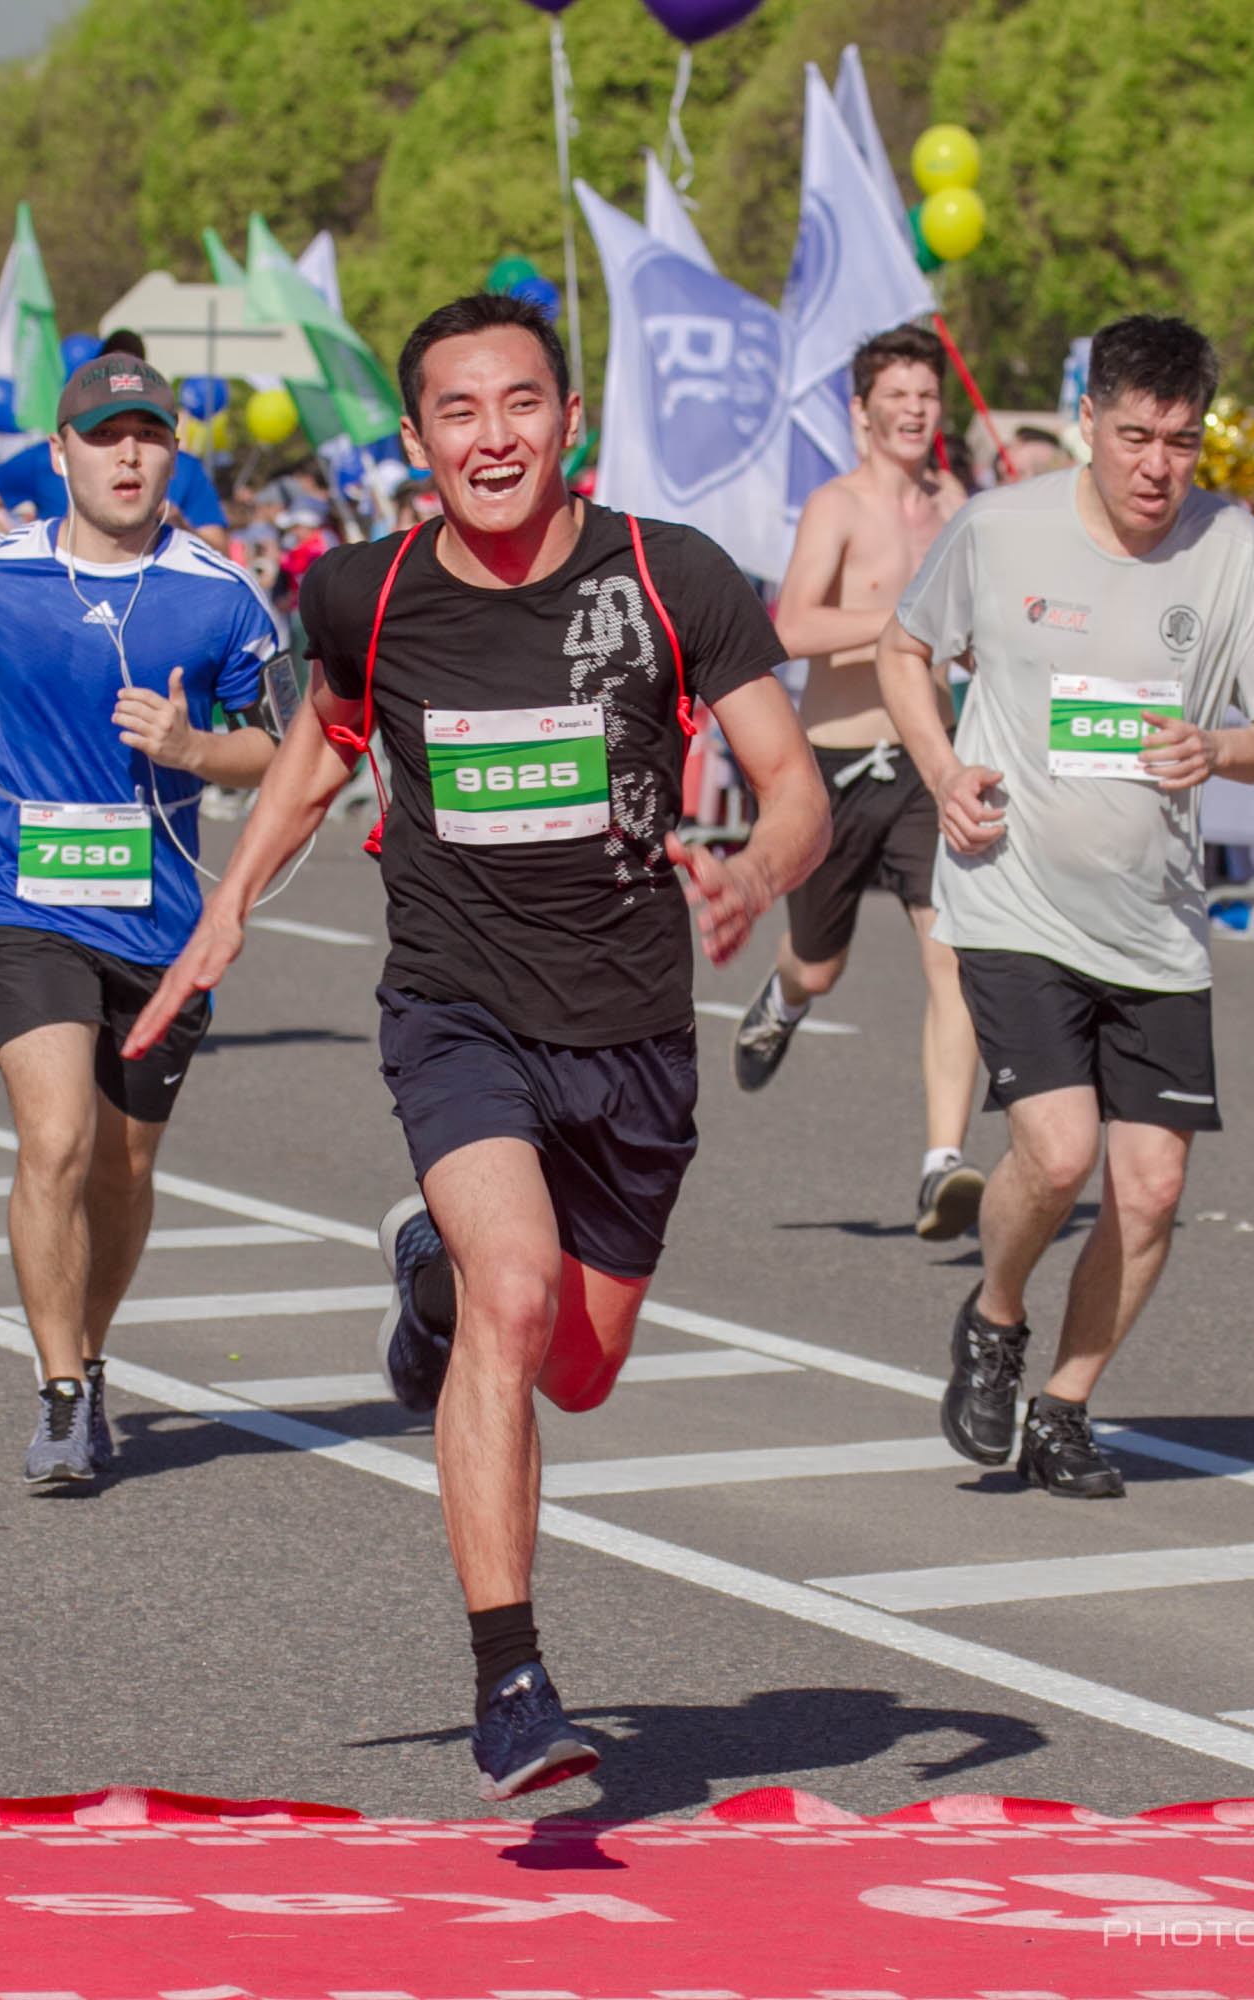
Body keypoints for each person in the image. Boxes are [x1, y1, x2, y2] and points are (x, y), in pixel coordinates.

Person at [122, 295, 824, 1801]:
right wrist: (230, 901)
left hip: (633, 1031)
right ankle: (512, 1676)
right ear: (417, 436)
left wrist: (755, 874)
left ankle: (429, 1281)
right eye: (459, 410)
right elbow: (325, 737)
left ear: (569, 421)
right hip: (459, 1010)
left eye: (521, 406)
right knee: (517, 1297)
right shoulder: (362, 592)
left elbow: (795, 784)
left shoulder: (669, 576)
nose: (492, 437)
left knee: (578, 1367)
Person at [873, 313, 1254, 1504]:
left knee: (1155, 1186)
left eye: (1182, 439)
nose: (1158, 466)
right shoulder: (1002, 526)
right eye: (1135, 436)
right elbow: (903, 648)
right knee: (1059, 1151)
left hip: (1157, 920)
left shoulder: (1231, 550)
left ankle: (1065, 1401)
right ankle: (995, 1313)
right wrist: (940, 769)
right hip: (1014, 891)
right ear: (1090, 424)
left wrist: (1222, 745)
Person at [0, 355, 282, 1486]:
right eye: (105, 436)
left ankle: (92, 1355)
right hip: (20, 898)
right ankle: (59, 1392)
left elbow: (295, 745)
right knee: (54, 1140)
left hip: (161, 923)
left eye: (149, 435)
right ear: (58, 453)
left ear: (174, 454)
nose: (129, 454)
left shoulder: (222, 592)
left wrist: (194, 747)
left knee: (121, 1168)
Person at [730, 326, 985, 1239]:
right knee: (822, 963)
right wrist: (907, 614)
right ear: (862, 413)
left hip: (927, 760)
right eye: (899, 397)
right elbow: (789, 627)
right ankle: (786, 996)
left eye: (928, 396)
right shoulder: (837, 506)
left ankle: (941, 1163)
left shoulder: (956, 499)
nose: (917, 411)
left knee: (950, 953)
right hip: (835, 765)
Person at [0, 332, 231, 555]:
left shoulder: (183, 466)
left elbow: (220, 552)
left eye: (132, 366)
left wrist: (176, 529)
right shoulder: (44, 458)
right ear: (60, 453)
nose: (128, 455)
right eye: (108, 367)